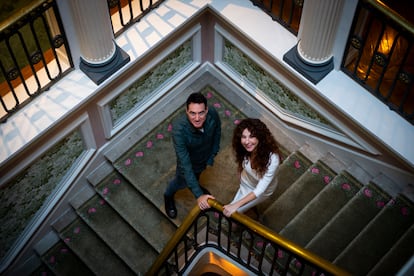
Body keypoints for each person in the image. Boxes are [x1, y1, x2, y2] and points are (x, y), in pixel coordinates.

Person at [164, 92, 221, 219]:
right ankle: (168, 196)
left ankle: (195, 185)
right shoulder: (179, 130)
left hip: (204, 159)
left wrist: (212, 155)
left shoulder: (213, 113)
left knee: (196, 176)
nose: (197, 118)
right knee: (179, 181)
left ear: (206, 110)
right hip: (189, 163)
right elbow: (186, 165)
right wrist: (199, 195)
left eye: (201, 113)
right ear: (186, 111)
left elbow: (217, 132)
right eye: (192, 113)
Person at [223, 118, 280, 218]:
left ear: (260, 137)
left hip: (261, 190)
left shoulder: (273, 159)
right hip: (246, 180)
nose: (247, 141)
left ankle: (252, 217)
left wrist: (235, 205)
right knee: (237, 206)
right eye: (244, 137)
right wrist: (240, 172)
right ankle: (249, 209)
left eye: (252, 137)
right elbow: (241, 161)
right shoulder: (244, 148)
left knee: (236, 211)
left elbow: (260, 190)